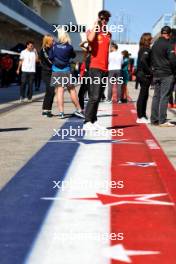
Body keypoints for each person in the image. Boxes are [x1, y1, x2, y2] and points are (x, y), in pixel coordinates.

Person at [83, 10, 111, 130]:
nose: (104, 21)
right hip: (95, 68)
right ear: (99, 18)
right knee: (94, 96)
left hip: (105, 68)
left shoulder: (108, 33)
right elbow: (90, 39)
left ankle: (93, 121)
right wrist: (96, 25)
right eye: (102, 18)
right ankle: (87, 122)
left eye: (106, 19)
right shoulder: (92, 31)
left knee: (99, 96)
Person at [49, 28, 84, 119]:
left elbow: (50, 57)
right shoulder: (69, 47)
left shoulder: (54, 46)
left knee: (59, 92)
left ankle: (61, 113)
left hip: (56, 71)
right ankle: (79, 110)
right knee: (72, 90)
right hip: (66, 71)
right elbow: (73, 55)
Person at [151, 26, 175, 127]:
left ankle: (154, 119)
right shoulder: (168, 44)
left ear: (161, 33)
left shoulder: (155, 44)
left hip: (156, 73)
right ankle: (162, 120)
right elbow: (173, 60)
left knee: (156, 96)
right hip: (166, 73)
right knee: (164, 97)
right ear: (169, 34)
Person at [136, 33, 152, 124]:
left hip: (141, 74)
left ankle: (143, 115)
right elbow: (143, 60)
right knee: (143, 95)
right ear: (148, 40)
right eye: (150, 39)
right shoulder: (145, 49)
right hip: (144, 75)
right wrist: (150, 71)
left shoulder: (142, 49)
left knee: (144, 95)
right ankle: (140, 116)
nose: (152, 40)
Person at [40, 35, 54, 118]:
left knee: (50, 91)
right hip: (46, 73)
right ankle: (46, 109)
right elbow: (49, 61)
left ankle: (47, 109)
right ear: (48, 41)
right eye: (52, 40)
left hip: (52, 72)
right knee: (50, 90)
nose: (53, 42)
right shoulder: (44, 50)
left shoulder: (52, 49)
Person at [78, 41, 91, 111]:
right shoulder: (87, 52)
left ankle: (89, 110)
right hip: (86, 75)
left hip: (90, 75)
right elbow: (80, 45)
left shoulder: (94, 54)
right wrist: (86, 41)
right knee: (81, 94)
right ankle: (81, 109)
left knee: (90, 94)